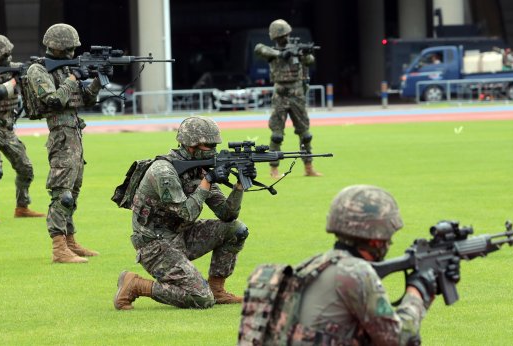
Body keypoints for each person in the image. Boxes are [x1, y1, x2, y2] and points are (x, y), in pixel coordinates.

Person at [240, 185, 461, 345]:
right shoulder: (356, 272)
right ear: (376, 237)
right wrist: (418, 290)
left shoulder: (315, 264)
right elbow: (398, 339)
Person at [113, 116, 251, 310]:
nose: (213, 150)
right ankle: (135, 285)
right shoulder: (164, 172)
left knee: (236, 230)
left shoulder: (199, 170)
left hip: (181, 235)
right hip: (154, 245)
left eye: (214, 145)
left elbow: (227, 214)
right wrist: (208, 181)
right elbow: (186, 213)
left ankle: (217, 290)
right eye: (208, 145)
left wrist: (239, 184)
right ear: (191, 145)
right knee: (201, 299)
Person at [25, 23, 107, 263]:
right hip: (60, 135)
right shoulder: (38, 70)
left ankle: (70, 241)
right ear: (59, 46)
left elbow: (87, 100)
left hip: (74, 134)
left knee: (74, 190)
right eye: (70, 47)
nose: (73, 51)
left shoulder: (66, 70)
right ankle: (59, 248)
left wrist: (97, 80)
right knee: (62, 193)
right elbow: (52, 100)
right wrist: (72, 79)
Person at [0, 34, 45, 224]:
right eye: (6, 53)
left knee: (25, 168)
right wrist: (15, 80)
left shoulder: (12, 68)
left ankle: (22, 207)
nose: (9, 56)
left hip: (7, 129)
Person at [254, 19, 322, 178]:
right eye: (281, 36)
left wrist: (303, 54)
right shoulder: (272, 52)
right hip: (280, 94)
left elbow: (310, 61)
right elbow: (259, 49)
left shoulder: (295, 49)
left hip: (297, 94)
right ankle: (274, 169)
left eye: (285, 35)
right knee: (277, 134)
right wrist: (280, 54)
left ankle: (308, 166)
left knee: (305, 134)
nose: (284, 38)